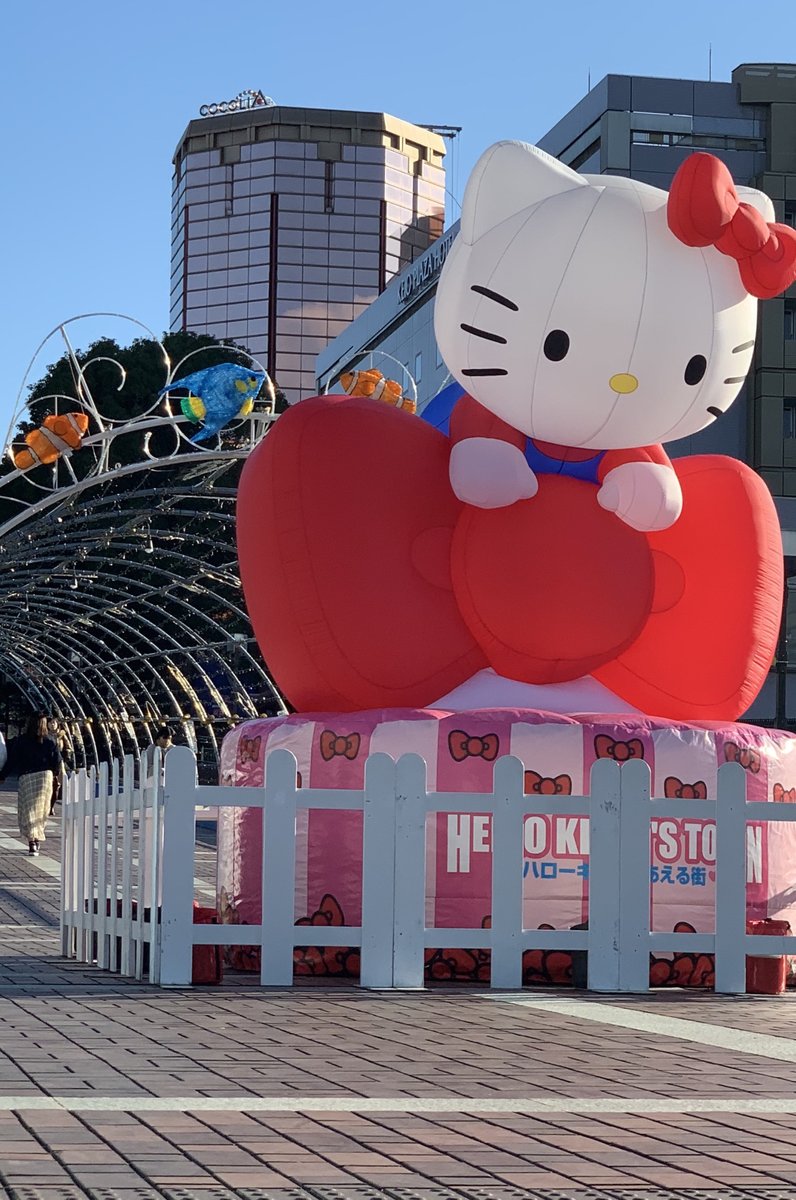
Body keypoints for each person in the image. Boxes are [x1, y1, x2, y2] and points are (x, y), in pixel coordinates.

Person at [1, 714, 62, 855]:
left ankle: (32, 841)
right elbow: (57, 761)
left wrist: (3, 775)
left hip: (27, 776)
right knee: (41, 810)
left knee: (29, 810)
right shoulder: (50, 741)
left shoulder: (22, 741)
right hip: (45, 778)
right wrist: (54, 772)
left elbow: (13, 760)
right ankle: (36, 838)